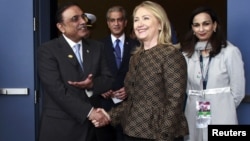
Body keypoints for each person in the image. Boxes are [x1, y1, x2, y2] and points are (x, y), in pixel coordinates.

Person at [93, 1, 189, 141]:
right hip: (132, 132)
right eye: (136, 19)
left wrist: (163, 136)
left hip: (159, 136)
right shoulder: (135, 58)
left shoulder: (171, 54)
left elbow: (175, 102)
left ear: (160, 24)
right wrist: (109, 115)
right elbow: (134, 101)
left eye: (146, 18)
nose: (139, 23)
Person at [37, 2, 113, 141]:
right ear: (61, 27)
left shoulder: (97, 47)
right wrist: (90, 112)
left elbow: (108, 79)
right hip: (61, 129)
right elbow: (56, 91)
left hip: (92, 131)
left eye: (83, 17)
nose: (83, 21)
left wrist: (91, 85)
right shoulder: (48, 50)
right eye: (75, 18)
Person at [180, 6, 245, 141]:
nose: (201, 29)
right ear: (192, 29)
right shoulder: (187, 55)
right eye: (196, 25)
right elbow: (186, 88)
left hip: (222, 112)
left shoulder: (230, 52)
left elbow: (238, 91)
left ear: (214, 25)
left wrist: (224, 105)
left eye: (206, 24)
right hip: (195, 111)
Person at [97, 5, 139, 141]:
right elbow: (92, 73)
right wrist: (100, 88)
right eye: (112, 20)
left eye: (119, 20)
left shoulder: (137, 46)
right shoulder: (98, 46)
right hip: (105, 106)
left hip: (130, 106)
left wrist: (130, 89)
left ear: (125, 22)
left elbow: (143, 75)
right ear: (108, 23)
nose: (116, 23)